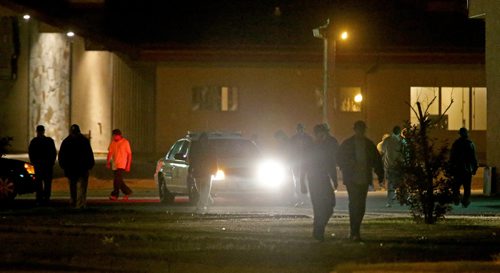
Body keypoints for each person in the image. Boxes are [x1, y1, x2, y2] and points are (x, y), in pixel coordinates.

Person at [338, 120, 384, 242]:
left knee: (360, 205)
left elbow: (377, 160)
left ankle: (355, 230)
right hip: (352, 179)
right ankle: (354, 231)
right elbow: (339, 158)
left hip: (363, 178)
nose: (360, 132)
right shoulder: (349, 144)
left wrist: (380, 174)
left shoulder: (368, 145)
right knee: (354, 203)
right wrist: (348, 166)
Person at [301, 124, 338, 241]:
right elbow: (303, 165)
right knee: (318, 207)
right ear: (317, 134)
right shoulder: (311, 147)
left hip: (323, 178)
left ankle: (318, 230)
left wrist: (335, 179)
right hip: (314, 180)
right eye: (322, 133)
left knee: (329, 205)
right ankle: (318, 232)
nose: (324, 136)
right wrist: (302, 182)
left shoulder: (325, 146)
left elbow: (331, 164)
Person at [58, 124, 95, 209]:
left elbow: (62, 155)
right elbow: (89, 154)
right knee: (81, 188)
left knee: (73, 187)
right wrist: (90, 165)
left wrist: (64, 166)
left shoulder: (66, 141)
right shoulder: (84, 141)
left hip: (71, 169)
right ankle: (80, 204)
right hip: (82, 168)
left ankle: (74, 202)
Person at [449, 127, 478, 208]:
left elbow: (452, 157)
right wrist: (475, 168)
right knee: (467, 187)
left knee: (456, 186)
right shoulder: (470, 144)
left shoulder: (456, 144)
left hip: (457, 169)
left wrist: (451, 167)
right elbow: (473, 158)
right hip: (467, 170)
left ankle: (457, 198)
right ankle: (465, 201)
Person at [28, 125, 57, 205]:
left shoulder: (34, 141)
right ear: (44, 131)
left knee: (39, 183)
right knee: (47, 183)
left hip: (38, 165)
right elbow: (53, 153)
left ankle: (39, 198)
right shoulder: (49, 141)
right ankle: (46, 198)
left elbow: (31, 153)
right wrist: (51, 162)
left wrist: (34, 162)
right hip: (47, 165)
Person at [189, 132, 217, 212]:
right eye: (202, 140)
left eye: (205, 140)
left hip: (207, 172)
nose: (203, 141)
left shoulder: (210, 148)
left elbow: (214, 160)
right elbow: (192, 159)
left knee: (206, 189)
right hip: (198, 171)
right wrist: (191, 169)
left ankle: (200, 205)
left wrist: (215, 170)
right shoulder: (195, 148)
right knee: (200, 189)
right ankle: (208, 200)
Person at [290, 123, 313, 206]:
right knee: (297, 182)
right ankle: (301, 199)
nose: (300, 131)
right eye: (299, 129)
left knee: (304, 181)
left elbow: (311, 151)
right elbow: (290, 151)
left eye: (301, 129)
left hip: (305, 163)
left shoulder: (308, 139)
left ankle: (306, 199)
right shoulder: (294, 139)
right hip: (296, 163)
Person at [107, 129, 133, 201]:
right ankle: (128, 192)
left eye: (115, 136)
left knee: (116, 180)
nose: (114, 137)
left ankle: (115, 194)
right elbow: (110, 153)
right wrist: (108, 162)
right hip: (115, 164)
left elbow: (129, 154)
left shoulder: (125, 142)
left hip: (122, 164)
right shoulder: (113, 143)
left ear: (119, 135)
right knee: (119, 180)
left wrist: (128, 165)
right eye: (113, 136)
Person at [381, 126, 404, 207]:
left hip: (390, 165)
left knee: (390, 184)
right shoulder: (402, 140)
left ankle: (390, 201)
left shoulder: (387, 140)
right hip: (399, 165)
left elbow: (383, 150)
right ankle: (402, 200)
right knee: (401, 183)